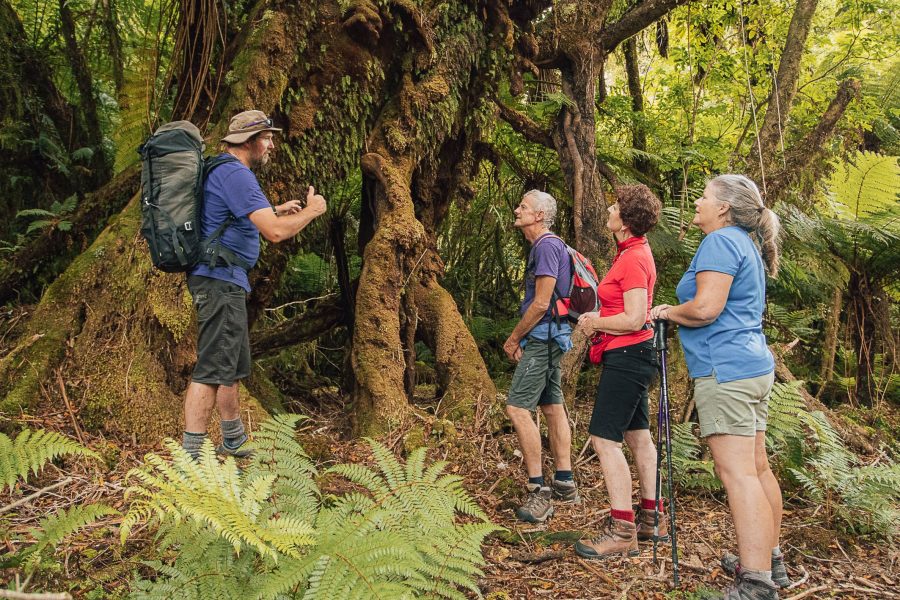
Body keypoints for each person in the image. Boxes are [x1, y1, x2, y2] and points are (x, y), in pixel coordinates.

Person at [650, 174, 786, 600]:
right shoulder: (744, 242)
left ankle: (756, 581)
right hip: (752, 365)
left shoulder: (721, 241)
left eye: (705, 197)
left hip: (725, 369)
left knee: (738, 473)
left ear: (724, 207)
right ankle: (770, 560)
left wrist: (669, 312)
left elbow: (707, 308)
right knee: (757, 467)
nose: (697, 202)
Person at [182, 110, 327, 459]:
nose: (272, 144)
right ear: (248, 141)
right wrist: (312, 211)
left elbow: (233, 217)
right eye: (267, 138)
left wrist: (275, 209)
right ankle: (191, 456)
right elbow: (274, 233)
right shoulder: (236, 176)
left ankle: (232, 439)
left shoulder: (223, 170)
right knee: (212, 368)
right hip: (219, 279)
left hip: (224, 279)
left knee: (230, 365)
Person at [572, 185, 664, 560]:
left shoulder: (633, 259)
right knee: (639, 437)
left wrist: (596, 322)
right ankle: (650, 518)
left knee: (604, 440)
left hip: (628, 354)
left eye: (615, 205)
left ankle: (623, 530)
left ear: (625, 221)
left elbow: (635, 316)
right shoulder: (633, 252)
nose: (609, 208)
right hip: (634, 354)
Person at [502, 190, 579, 523]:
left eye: (523, 206)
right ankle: (564, 482)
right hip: (553, 337)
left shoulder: (546, 246)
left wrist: (513, 338)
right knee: (551, 405)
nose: (517, 210)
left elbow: (540, 303)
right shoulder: (548, 246)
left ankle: (539, 492)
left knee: (518, 407)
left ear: (539, 216)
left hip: (544, 337)